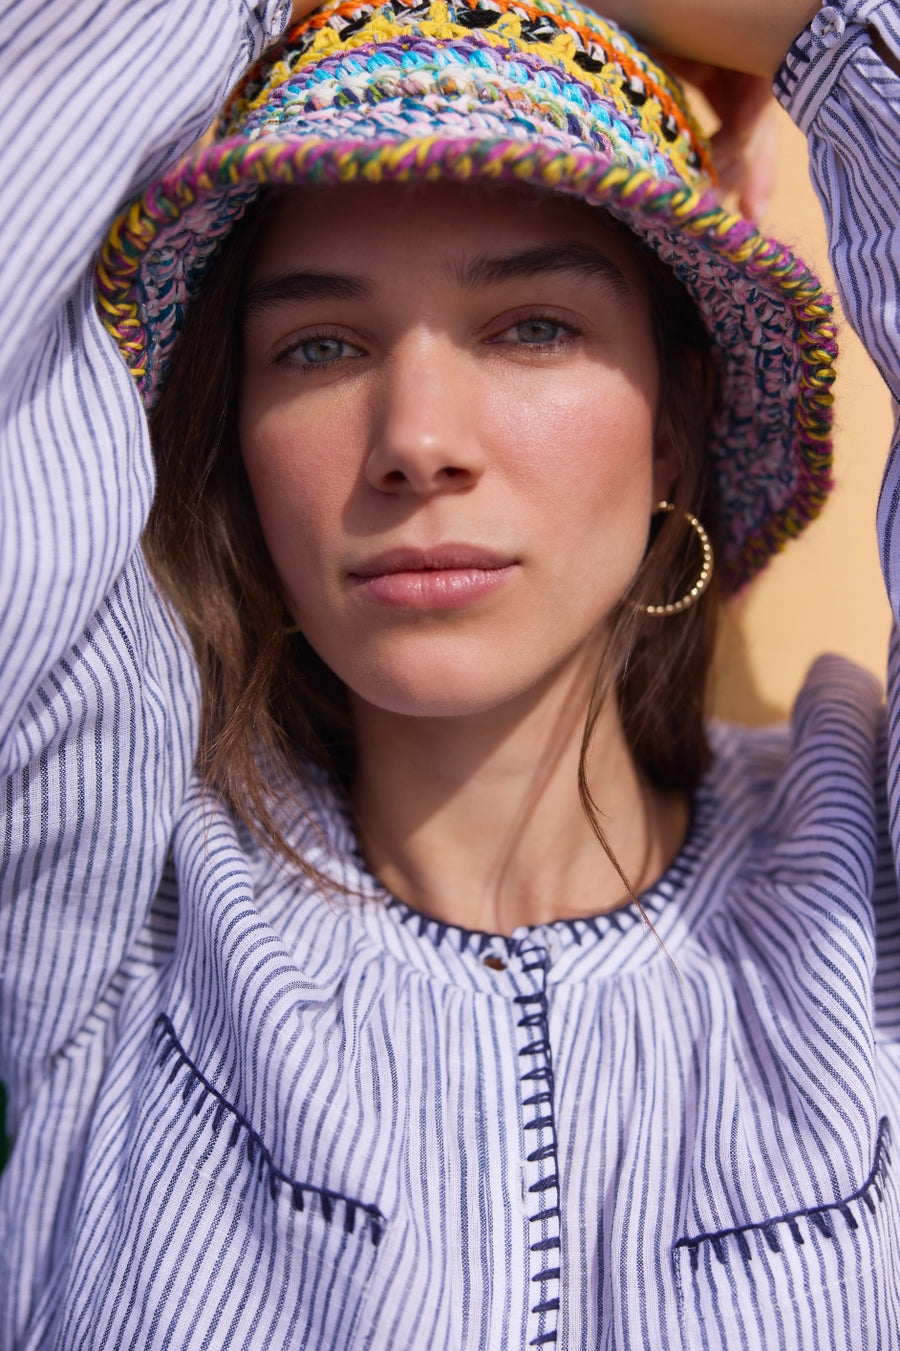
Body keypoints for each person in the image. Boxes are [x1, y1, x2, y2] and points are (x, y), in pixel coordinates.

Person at [1, 0, 899, 1345]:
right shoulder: (123, 912)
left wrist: (809, 32)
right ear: (236, 440)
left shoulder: (862, 895)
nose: (417, 440)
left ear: (677, 422)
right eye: (319, 346)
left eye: (531, 327)